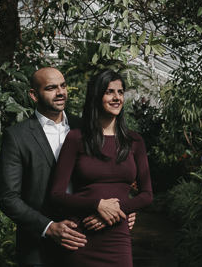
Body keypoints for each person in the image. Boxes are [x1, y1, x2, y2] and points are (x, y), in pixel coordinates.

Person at [0, 67, 135, 267]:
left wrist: (125, 206)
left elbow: (111, 173)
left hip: (89, 236)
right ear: (34, 95)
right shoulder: (17, 136)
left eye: (63, 86)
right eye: (51, 88)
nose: (60, 92)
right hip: (40, 248)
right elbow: (8, 198)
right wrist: (49, 227)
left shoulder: (87, 128)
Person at [50, 69, 153, 267]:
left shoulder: (134, 141)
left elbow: (147, 194)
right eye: (109, 92)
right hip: (81, 237)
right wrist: (97, 205)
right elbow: (56, 193)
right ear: (97, 96)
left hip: (118, 238)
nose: (117, 98)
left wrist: (115, 210)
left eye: (120, 92)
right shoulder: (76, 138)